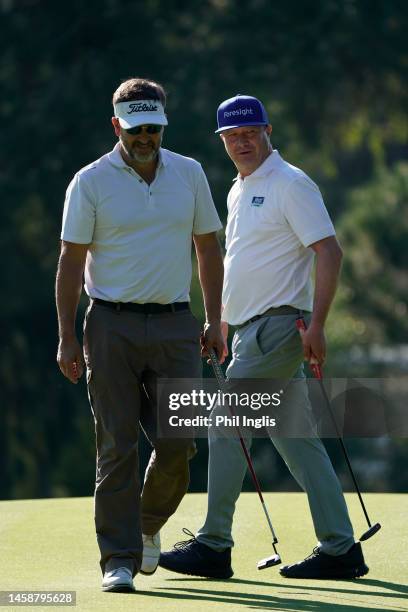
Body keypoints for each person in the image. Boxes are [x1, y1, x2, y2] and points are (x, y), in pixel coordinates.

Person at [159, 94, 369, 580]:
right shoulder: (238, 188)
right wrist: (222, 323)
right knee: (297, 440)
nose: (241, 142)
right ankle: (340, 547)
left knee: (226, 424)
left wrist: (317, 325)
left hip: (280, 328)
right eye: (231, 136)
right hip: (250, 332)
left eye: (249, 133)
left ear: (267, 130)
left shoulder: (290, 183)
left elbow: (329, 252)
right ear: (223, 141)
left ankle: (214, 544)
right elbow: (243, 266)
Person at [55, 77, 225, 593]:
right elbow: (70, 261)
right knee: (117, 446)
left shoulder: (189, 174)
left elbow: (208, 249)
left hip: (175, 324)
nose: (145, 137)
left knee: (179, 446)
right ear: (116, 126)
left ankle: (146, 526)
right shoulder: (90, 181)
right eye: (135, 129)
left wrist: (215, 319)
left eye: (153, 128)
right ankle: (119, 559)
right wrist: (66, 334)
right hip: (109, 324)